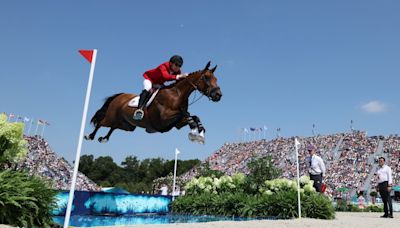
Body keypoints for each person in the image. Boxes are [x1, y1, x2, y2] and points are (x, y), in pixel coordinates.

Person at [133, 55, 189, 120]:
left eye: (180, 66)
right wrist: (179, 76)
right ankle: (139, 109)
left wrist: (187, 79)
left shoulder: (177, 72)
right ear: (171, 63)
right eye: (176, 65)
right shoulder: (163, 66)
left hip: (159, 84)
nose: (178, 67)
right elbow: (165, 76)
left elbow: (179, 82)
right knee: (148, 88)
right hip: (150, 79)